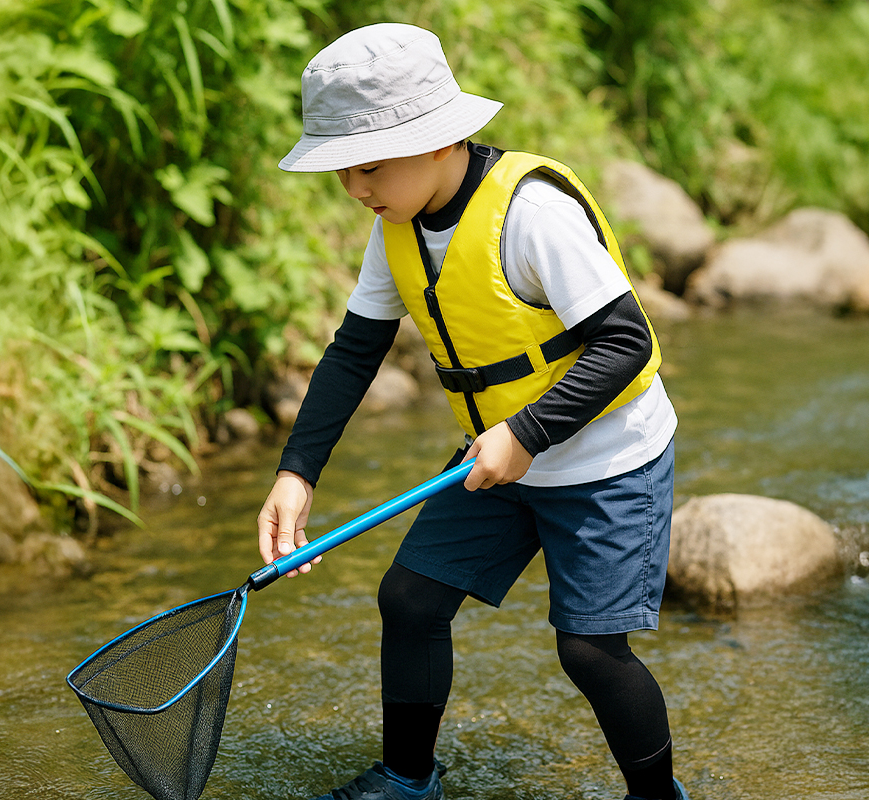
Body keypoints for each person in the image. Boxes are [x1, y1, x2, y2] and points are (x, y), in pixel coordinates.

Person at [256, 22, 688, 800]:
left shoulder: (532, 215)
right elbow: (354, 352)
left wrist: (524, 436)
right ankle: (408, 778)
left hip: (605, 456)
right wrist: (297, 472)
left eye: (369, 166)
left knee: (589, 650)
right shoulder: (394, 227)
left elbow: (626, 342)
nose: (355, 188)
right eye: (340, 171)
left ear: (437, 142)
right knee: (410, 599)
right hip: (501, 455)